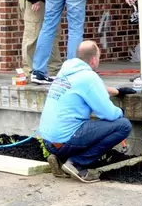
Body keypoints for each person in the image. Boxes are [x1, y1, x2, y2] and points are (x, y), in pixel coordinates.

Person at [38, 41, 134, 183]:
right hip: (66, 140)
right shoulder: (89, 77)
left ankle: (60, 159)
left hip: (49, 141)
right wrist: (120, 111)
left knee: (85, 125)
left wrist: (117, 91)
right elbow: (108, 114)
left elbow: (88, 88)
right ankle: (77, 163)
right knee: (123, 125)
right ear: (94, 59)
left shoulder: (65, 73)